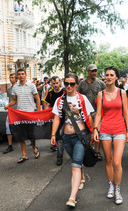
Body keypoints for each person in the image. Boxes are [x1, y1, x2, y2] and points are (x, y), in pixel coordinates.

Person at [51, 73, 94, 208]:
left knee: (74, 166)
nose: (68, 86)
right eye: (66, 83)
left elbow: (88, 116)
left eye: (71, 84)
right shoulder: (60, 100)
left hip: (80, 136)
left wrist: (92, 133)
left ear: (76, 85)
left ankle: (72, 197)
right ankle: (81, 176)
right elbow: (57, 118)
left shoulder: (82, 99)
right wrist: (53, 135)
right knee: (76, 161)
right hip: (66, 137)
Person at [93, 67, 128, 205]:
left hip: (120, 129)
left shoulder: (122, 93)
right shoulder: (101, 94)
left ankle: (118, 189)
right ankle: (111, 185)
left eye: (111, 75)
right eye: (107, 75)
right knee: (108, 160)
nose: (108, 77)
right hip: (105, 129)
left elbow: (126, 113)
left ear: (116, 78)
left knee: (117, 162)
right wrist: (95, 129)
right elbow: (98, 114)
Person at [4, 69, 41, 163]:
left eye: (22, 74)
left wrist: (39, 112)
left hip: (30, 113)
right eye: (19, 74)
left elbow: (37, 99)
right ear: (17, 76)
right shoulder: (15, 87)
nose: (21, 76)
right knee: (21, 135)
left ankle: (34, 148)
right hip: (20, 114)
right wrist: (8, 105)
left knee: (31, 135)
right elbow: (14, 100)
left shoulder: (32, 86)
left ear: (26, 75)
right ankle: (24, 154)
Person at [78, 64, 106, 160]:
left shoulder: (101, 83)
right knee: (87, 132)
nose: (94, 73)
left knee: (97, 131)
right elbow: (78, 96)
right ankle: (89, 150)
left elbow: (106, 95)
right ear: (88, 72)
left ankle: (97, 151)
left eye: (95, 71)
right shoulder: (82, 84)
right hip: (85, 112)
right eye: (92, 71)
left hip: (97, 112)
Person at [43, 76, 65, 165]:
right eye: (53, 83)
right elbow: (47, 104)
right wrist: (45, 115)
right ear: (51, 84)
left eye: (57, 83)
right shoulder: (50, 93)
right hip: (55, 118)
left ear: (59, 83)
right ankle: (59, 156)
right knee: (58, 136)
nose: (55, 85)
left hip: (66, 117)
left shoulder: (64, 92)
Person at [3, 73, 18, 154]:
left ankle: (31, 143)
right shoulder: (9, 89)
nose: (11, 79)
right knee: (8, 127)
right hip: (11, 110)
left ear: (16, 79)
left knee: (23, 127)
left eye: (13, 77)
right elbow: (10, 100)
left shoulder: (19, 88)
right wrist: (8, 106)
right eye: (10, 77)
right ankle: (10, 145)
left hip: (19, 110)